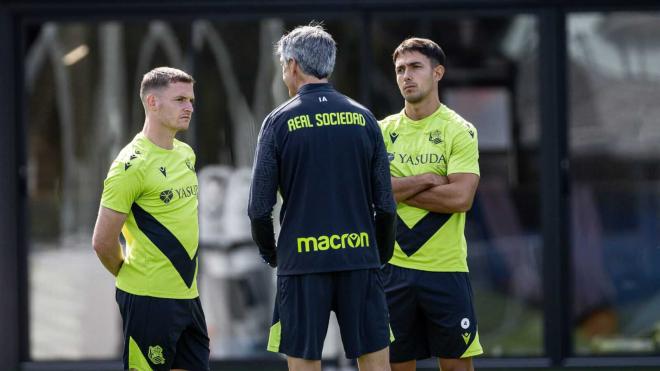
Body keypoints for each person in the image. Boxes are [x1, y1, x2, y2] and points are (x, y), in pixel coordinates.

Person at [248, 24, 397, 371]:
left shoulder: (278, 122)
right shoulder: (364, 119)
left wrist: (273, 254)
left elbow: (258, 208)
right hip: (359, 259)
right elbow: (386, 204)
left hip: (302, 263)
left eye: (284, 65)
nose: (284, 72)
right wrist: (378, 253)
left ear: (294, 65)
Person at [92, 67, 209, 371]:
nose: (189, 107)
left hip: (189, 296)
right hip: (149, 300)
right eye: (180, 99)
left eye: (191, 100)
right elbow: (103, 242)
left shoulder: (185, 154)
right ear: (153, 103)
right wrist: (129, 275)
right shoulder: (130, 165)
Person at [378, 38, 484, 371]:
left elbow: (461, 198)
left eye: (415, 67)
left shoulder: (459, 130)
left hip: (446, 270)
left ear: (437, 72)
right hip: (393, 269)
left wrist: (396, 190)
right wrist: (427, 179)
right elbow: (371, 195)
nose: (406, 76)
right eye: (400, 70)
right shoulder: (380, 132)